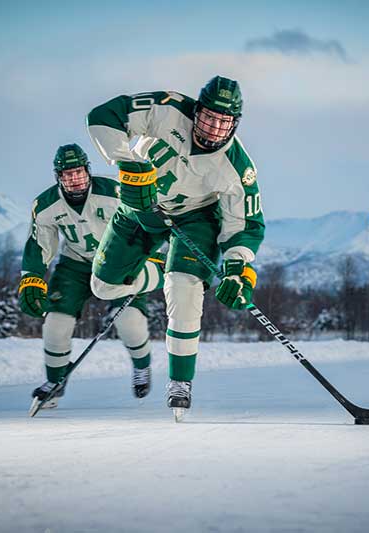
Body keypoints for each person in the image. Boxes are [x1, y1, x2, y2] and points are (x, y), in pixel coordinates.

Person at [86, 75, 265, 417]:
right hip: (139, 203)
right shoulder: (166, 108)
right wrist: (127, 163)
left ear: (235, 124)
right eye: (209, 117)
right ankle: (150, 273)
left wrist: (239, 269)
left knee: (184, 287)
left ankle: (181, 382)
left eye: (224, 122)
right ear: (197, 111)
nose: (214, 128)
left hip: (194, 219)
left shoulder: (239, 169)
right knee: (103, 287)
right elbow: (104, 115)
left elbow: (244, 226)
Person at [18, 143, 164, 409]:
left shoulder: (115, 192)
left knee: (129, 322)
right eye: (67, 174)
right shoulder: (46, 205)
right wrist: (32, 278)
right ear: (58, 177)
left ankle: (142, 367)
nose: (74, 179)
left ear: (88, 170)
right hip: (76, 264)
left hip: (118, 263)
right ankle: (55, 383)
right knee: (55, 324)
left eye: (78, 172)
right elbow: (40, 244)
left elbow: (148, 221)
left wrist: (151, 256)